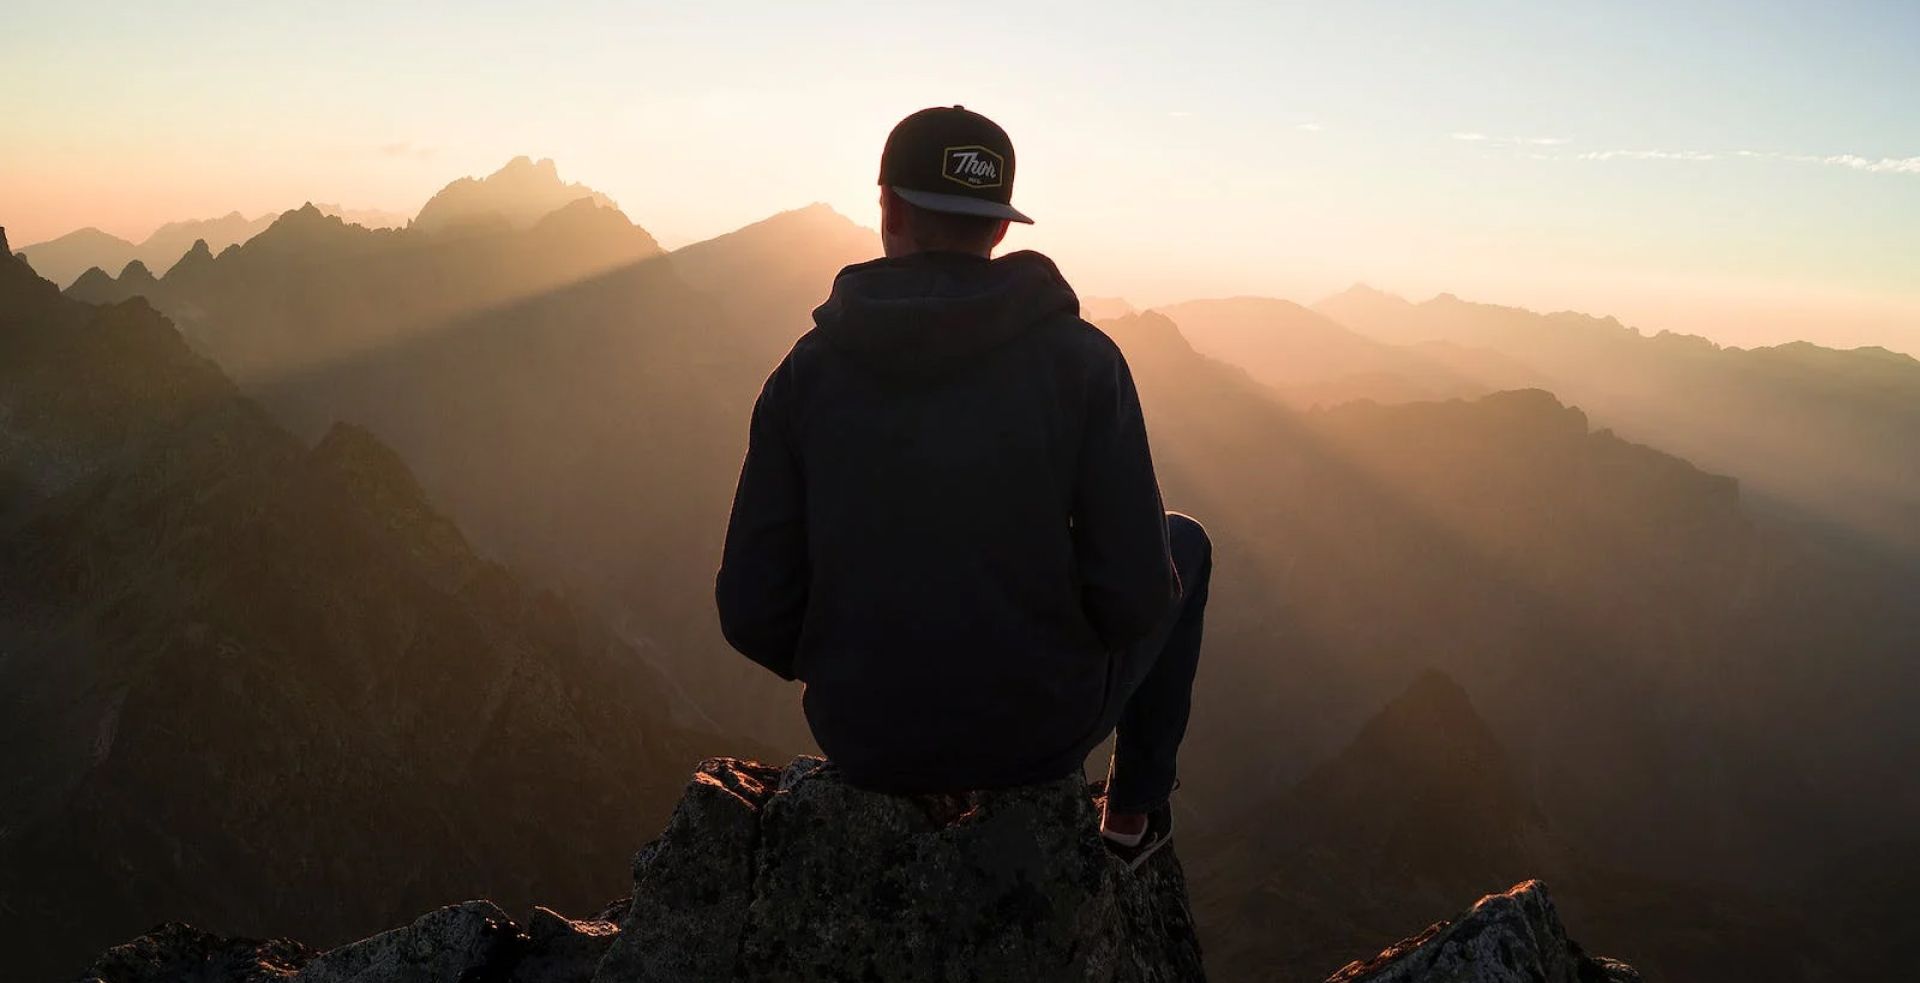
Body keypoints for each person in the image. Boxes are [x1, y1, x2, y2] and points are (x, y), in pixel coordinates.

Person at [716, 105, 1210, 866]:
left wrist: (861, 661)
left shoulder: (804, 375)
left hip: (864, 733)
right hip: (1038, 733)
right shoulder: (1084, 366)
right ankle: (1131, 818)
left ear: (888, 207)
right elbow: (1139, 595)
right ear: (1002, 228)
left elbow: (752, 610)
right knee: (1185, 542)